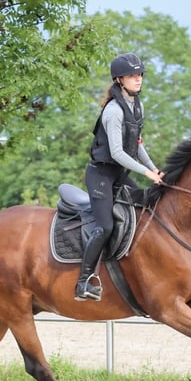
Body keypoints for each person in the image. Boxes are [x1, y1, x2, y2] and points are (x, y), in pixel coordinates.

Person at [75, 53, 164, 301]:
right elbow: (117, 152)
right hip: (101, 175)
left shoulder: (137, 106)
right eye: (132, 76)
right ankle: (83, 282)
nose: (138, 79)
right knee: (104, 227)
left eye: (140, 75)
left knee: (145, 208)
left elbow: (136, 144)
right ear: (119, 79)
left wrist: (154, 169)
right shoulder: (113, 111)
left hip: (119, 173)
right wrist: (145, 172)